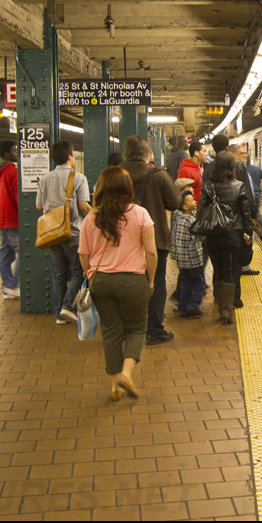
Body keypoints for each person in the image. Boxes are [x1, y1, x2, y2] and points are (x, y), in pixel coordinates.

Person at [78, 167, 156, 402]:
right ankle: (126, 374)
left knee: (111, 332)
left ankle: (115, 386)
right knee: (137, 328)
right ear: (127, 187)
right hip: (133, 279)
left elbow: (83, 253)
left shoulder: (91, 218)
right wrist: (151, 279)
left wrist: (90, 275)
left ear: (100, 188)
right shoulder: (140, 214)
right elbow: (151, 252)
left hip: (101, 281)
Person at [118, 135, 182, 345]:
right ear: (147, 153)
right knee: (155, 284)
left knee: (126, 285)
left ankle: (128, 329)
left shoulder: (116, 174)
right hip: (155, 239)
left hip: (123, 239)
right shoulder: (158, 175)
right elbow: (174, 203)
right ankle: (154, 330)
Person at [36, 141, 92, 324]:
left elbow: (39, 206)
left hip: (52, 234)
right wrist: (97, 217)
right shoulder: (78, 178)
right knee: (78, 272)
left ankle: (59, 315)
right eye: (73, 154)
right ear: (69, 156)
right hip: (73, 232)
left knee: (59, 274)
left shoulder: (44, 178)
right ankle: (67, 306)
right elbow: (84, 206)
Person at [197, 151, 253, 325]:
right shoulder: (239, 186)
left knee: (218, 269)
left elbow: (200, 211)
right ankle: (227, 310)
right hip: (233, 235)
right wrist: (248, 234)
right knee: (230, 270)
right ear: (232, 167)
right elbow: (245, 213)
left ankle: (220, 303)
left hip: (213, 235)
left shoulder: (208, 187)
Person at [170, 178, 205, 318]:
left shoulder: (178, 219)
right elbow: (200, 237)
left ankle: (182, 309)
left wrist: (174, 255)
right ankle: (193, 306)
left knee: (185, 285)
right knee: (200, 284)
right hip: (194, 260)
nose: (195, 202)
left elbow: (174, 239)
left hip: (182, 262)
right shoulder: (191, 221)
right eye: (191, 201)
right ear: (185, 207)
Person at [0, 140, 20, 298]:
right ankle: (13, 284)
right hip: (12, 219)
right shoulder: (12, 171)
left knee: (5, 253)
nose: (17, 153)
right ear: (7, 154)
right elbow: (18, 198)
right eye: (14, 151)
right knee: (24, 251)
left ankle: (7, 287)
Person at [234, 144, 262, 276]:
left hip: (246, 212)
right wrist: (251, 216)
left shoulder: (245, 169)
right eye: (242, 153)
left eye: (246, 153)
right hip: (242, 214)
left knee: (247, 240)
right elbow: (245, 195)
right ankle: (241, 268)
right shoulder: (237, 171)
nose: (245, 156)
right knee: (246, 240)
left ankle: (244, 267)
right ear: (233, 154)